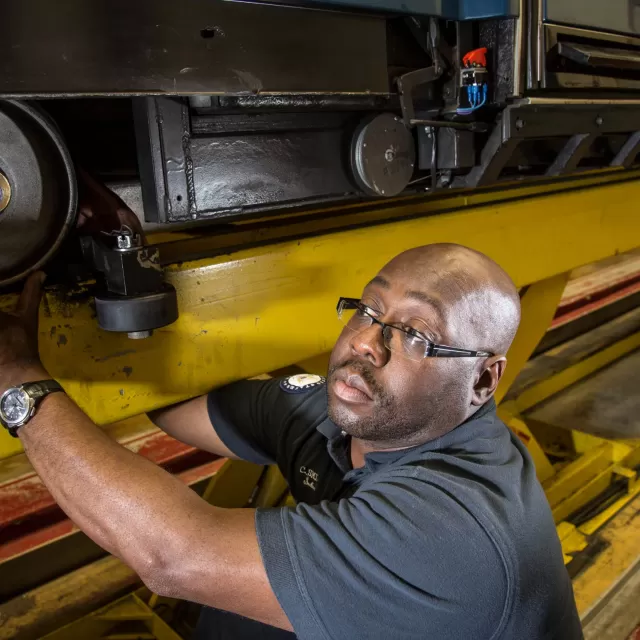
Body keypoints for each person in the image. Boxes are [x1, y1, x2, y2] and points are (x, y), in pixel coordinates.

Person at [0, 243, 582, 640]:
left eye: (417, 337)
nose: (366, 345)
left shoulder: (453, 534)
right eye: (368, 310)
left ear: (483, 379)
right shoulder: (355, 414)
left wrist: (19, 385)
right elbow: (178, 408)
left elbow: (173, 556)